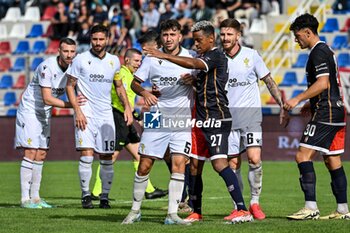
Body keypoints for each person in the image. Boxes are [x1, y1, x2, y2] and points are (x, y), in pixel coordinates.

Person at [145, 20, 253, 224]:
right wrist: (193, 82)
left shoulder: (215, 55)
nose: (196, 45)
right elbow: (205, 82)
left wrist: (164, 56)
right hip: (199, 118)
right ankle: (196, 210)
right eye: (194, 41)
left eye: (199, 40)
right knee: (194, 165)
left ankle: (242, 209)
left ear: (211, 39)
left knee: (220, 163)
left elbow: (196, 64)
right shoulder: (203, 57)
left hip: (217, 116)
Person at [121, 19, 194, 225]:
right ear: (161, 37)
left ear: (180, 36)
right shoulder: (152, 58)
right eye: (166, 35)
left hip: (181, 118)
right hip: (156, 116)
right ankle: (135, 211)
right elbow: (135, 83)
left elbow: (202, 84)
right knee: (144, 164)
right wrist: (144, 92)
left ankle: (172, 214)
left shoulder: (190, 57)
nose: (169, 38)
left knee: (179, 163)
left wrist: (194, 82)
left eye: (173, 34)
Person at [218, 18, 289, 221]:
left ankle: (255, 202)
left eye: (229, 34)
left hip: (250, 117)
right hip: (227, 120)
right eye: (222, 34)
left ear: (238, 36)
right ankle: (238, 206)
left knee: (254, 159)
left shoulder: (251, 55)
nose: (225, 38)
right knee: (233, 164)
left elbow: (268, 80)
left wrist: (281, 105)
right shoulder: (217, 58)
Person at [284, 13, 350, 220]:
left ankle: (310, 207)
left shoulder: (317, 53)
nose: (297, 40)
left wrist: (296, 99)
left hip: (326, 112)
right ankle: (342, 209)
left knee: (302, 155)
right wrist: (308, 103)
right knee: (332, 160)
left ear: (308, 32)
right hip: (336, 110)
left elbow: (323, 84)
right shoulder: (326, 50)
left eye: (298, 36)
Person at [66, 24, 133, 209]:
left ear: (107, 40)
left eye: (101, 39)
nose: (97, 43)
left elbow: (119, 87)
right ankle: (86, 195)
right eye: (94, 39)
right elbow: (70, 85)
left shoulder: (114, 61)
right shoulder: (80, 59)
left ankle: (104, 196)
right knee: (87, 154)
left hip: (105, 115)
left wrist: (127, 108)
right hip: (86, 113)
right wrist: (77, 110)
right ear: (90, 39)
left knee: (106, 157)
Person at [91, 48, 168, 200]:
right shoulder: (123, 74)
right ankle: (97, 192)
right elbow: (121, 96)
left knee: (140, 154)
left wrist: (135, 116)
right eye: (136, 61)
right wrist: (131, 113)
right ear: (127, 60)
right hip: (119, 117)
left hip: (126, 117)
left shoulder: (129, 75)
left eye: (140, 61)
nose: (139, 64)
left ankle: (149, 190)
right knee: (111, 156)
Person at [16, 37, 77, 208]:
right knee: (31, 151)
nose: (69, 55)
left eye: (72, 51)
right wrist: (72, 105)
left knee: (41, 153)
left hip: (45, 113)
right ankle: (24, 199)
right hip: (30, 110)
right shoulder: (47, 67)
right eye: (66, 51)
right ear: (59, 51)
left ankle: (35, 198)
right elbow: (47, 98)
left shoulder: (74, 68)